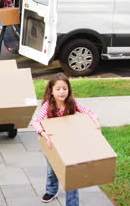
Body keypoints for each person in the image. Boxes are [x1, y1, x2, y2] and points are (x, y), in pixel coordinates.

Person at [31, 73, 101, 205]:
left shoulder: (72, 103)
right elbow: (36, 121)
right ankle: (52, 190)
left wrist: (96, 122)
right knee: (52, 169)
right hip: (52, 143)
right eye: (58, 89)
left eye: (64, 88)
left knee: (71, 172)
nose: (61, 92)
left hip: (70, 142)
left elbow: (90, 112)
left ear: (69, 90)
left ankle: (72, 203)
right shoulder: (48, 106)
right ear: (51, 91)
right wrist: (42, 133)